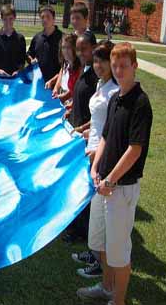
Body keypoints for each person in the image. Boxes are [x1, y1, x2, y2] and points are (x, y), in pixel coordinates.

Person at [77, 43, 153, 305]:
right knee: (101, 242)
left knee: (119, 251)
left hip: (121, 189)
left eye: (124, 66)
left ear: (135, 66)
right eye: (116, 66)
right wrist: (96, 169)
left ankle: (117, 301)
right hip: (103, 183)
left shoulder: (140, 103)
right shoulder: (115, 98)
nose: (119, 71)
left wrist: (111, 179)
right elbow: (105, 138)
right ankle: (106, 287)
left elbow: (134, 149)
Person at [72, 40, 120, 280]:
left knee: (99, 210)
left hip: (102, 155)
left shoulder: (114, 91)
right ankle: (93, 252)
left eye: (103, 60)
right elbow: (98, 120)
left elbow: (112, 129)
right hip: (90, 148)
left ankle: (100, 264)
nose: (99, 64)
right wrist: (84, 129)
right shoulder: (101, 84)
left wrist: (97, 151)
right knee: (92, 207)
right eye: (97, 60)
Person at [62, 32, 99, 244]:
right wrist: (70, 108)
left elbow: (97, 113)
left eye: (84, 48)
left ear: (93, 48)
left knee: (84, 184)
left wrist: (81, 128)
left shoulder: (96, 76)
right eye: (79, 49)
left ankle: (82, 230)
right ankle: (75, 225)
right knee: (75, 182)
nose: (81, 53)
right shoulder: (83, 69)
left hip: (86, 137)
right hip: (76, 131)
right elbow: (80, 98)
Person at [0, 4, 27, 76]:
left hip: (14, 80)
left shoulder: (20, 39)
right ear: (1, 18)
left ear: (14, 18)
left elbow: (22, 63)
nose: (8, 22)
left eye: (10, 18)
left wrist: (18, 71)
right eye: (5, 19)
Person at [28, 5, 62, 83]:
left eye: (48, 17)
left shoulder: (62, 38)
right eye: (42, 17)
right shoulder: (37, 37)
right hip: (38, 82)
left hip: (56, 84)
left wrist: (54, 81)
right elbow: (29, 54)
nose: (45, 19)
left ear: (54, 19)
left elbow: (66, 65)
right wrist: (31, 60)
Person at [51, 34, 81, 104]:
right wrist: (56, 88)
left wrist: (64, 96)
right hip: (61, 96)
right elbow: (61, 73)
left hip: (71, 101)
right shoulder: (66, 63)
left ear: (75, 48)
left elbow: (76, 88)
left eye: (69, 47)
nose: (65, 51)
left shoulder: (79, 68)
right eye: (63, 47)